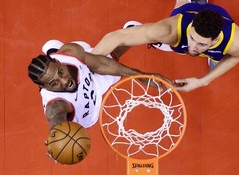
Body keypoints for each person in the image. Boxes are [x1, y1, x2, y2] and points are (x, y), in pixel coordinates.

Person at [92, 0, 239, 92]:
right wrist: (84, 64)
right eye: (192, 38)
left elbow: (235, 56)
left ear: (216, 40)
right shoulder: (171, 29)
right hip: (186, 13)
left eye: (201, 44)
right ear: (192, 25)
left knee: (219, 60)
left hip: (216, 30)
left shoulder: (236, 42)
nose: (192, 46)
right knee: (176, 25)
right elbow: (117, 37)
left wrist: (203, 81)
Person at [28, 40, 170, 129]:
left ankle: (132, 29)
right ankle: (52, 48)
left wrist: (141, 76)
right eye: (54, 83)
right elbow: (56, 120)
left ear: (59, 62)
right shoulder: (57, 105)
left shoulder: (71, 53)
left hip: (91, 80)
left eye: (60, 72)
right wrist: (57, 139)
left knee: (112, 56)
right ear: (44, 88)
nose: (64, 81)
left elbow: (101, 64)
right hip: (90, 99)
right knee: (99, 59)